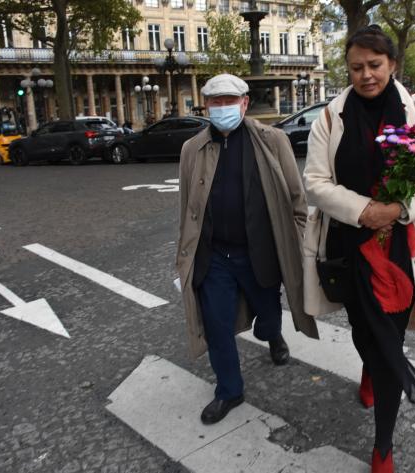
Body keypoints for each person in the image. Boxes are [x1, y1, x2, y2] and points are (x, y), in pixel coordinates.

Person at [303, 25, 415, 473]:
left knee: (390, 339)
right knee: (366, 332)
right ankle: (370, 365)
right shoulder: (331, 116)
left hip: (399, 248)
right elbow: (315, 183)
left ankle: (383, 446)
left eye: (374, 66)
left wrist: (399, 209)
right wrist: (366, 211)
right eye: (356, 67)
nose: (366, 75)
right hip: (350, 244)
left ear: (393, 65)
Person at [176, 73, 319, 425]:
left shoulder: (273, 140)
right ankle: (229, 390)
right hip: (215, 256)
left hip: (261, 252)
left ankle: (272, 335)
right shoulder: (192, 149)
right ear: (206, 105)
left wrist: (300, 246)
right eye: (215, 101)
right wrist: (183, 258)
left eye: (230, 101)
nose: (222, 107)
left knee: (269, 312)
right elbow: (187, 211)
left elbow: (296, 200)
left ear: (244, 103)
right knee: (217, 325)